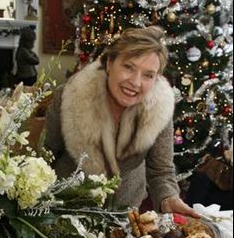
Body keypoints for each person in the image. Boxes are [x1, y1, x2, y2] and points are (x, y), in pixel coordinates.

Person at [45, 26, 199, 216]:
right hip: (66, 209)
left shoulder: (159, 108)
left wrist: (169, 198)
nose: (135, 82)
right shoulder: (70, 96)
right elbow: (46, 156)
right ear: (109, 63)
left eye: (148, 75)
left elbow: (161, 171)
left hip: (125, 214)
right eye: (128, 67)